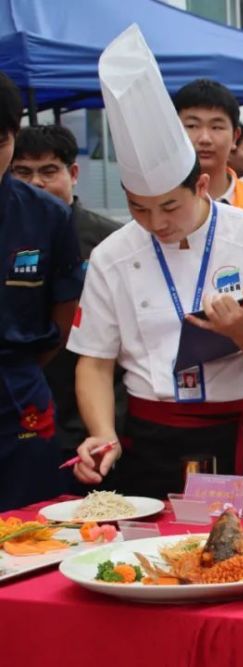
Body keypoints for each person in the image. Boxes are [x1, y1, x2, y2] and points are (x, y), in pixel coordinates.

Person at [68, 25, 243, 504]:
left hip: (242, 432)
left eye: (169, 208)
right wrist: (101, 432)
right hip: (151, 437)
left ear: (200, 186)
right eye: (138, 208)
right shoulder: (113, 253)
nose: (156, 223)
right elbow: (95, 358)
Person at [11, 125, 127, 471]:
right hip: (26, 396)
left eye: (49, 171)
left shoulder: (109, 240)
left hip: (98, 402)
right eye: (23, 172)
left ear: (73, 173)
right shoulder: (11, 235)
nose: (37, 183)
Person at [0, 76, 84, 511]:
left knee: (30, 522)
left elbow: (66, 313)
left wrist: (24, 366)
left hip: (18, 390)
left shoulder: (47, 215)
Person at [173, 79, 243, 223]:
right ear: (174, 132)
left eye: (216, 127)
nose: (205, 138)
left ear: (235, 137)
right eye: (192, 126)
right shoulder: (155, 205)